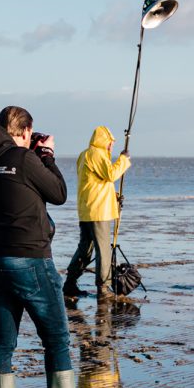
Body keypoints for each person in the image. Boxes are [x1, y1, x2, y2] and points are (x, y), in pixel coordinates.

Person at [0, 106, 105, 388]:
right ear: (26, 131)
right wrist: (46, 155)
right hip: (30, 258)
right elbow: (58, 193)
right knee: (56, 338)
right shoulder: (25, 159)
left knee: (2, 342)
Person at [63, 126, 131, 299]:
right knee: (103, 250)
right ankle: (103, 288)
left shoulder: (84, 154)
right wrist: (123, 160)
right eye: (111, 142)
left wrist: (114, 197)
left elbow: (95, 184)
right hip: (98, 211)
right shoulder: (96, 154)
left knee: (85, 249)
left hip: (87, 209)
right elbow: (111, 174)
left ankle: (70, 283)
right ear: (105, 141)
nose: (112, 146)